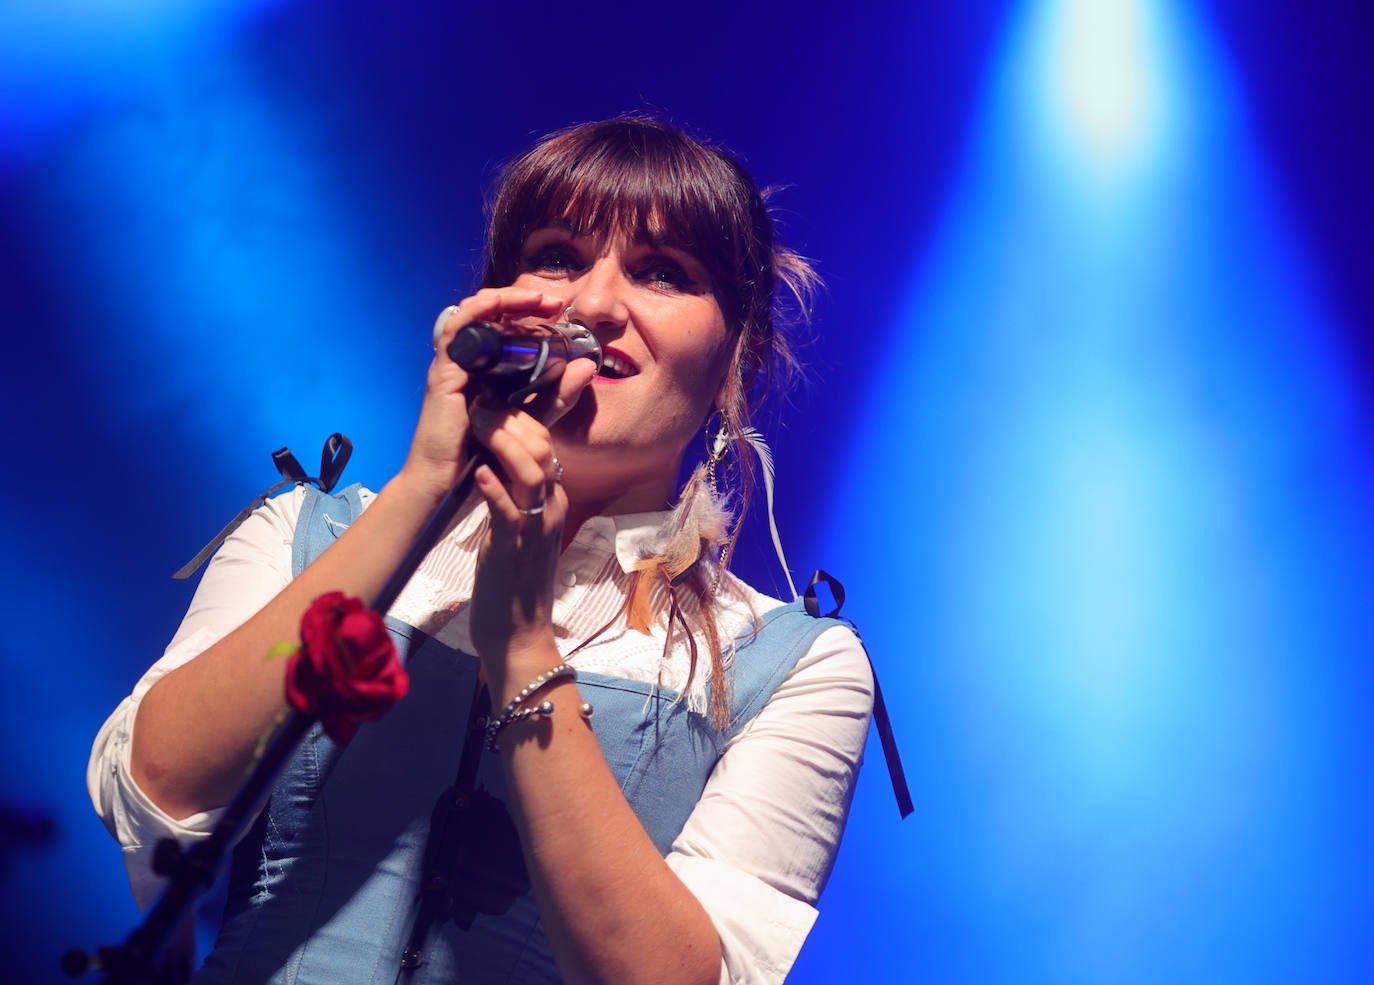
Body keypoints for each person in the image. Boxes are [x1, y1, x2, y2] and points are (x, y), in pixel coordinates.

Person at [89, 117, 874, 985]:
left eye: (662, 272)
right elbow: (156, 799)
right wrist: (425, 481)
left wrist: (525, 647)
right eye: (557, 257)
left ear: (739, 347)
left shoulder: (796, 664)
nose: (594, 305)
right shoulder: (306, 535)